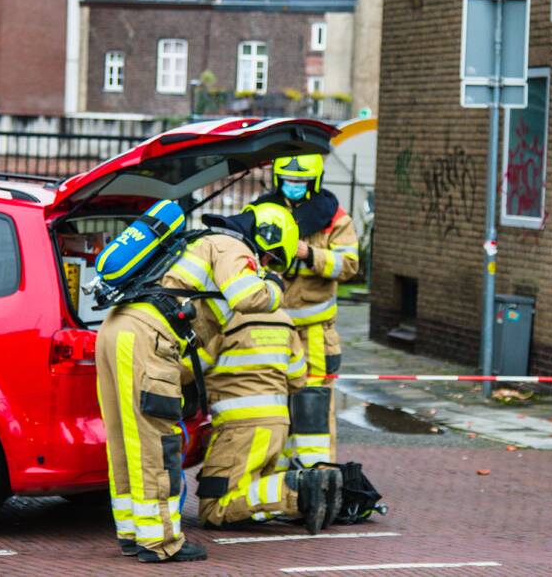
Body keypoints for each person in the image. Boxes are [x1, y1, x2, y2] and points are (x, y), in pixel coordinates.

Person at [93, 198, 292, 563]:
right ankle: (162, 542)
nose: (264, 267)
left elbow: (197, 348)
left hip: (116, 331)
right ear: (267, 241)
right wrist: (277, 287)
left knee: (126, 441)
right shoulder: (232, 245)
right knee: (157, 443)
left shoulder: (198, 246)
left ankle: (133, 533)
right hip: (146, 336)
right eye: (271, 260)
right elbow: (249, 296)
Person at [181, 204, 342, 534]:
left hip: (239, 428)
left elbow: (191, 370)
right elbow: (298, 376)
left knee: (213, 509)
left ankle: (298, 491)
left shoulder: (225, 314)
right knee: (246, 492)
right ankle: (300, 486)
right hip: (278, 428)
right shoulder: (284, 319)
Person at [256, 154, 360, 468]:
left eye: (300, 182)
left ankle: (318, 474)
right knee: (274, 401)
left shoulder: (334, 217)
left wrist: (309, 253)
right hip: (272, 329)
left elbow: (349, 265)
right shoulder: (264, 211)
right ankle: (281, 475)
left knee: (313, 404)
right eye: (288, 181)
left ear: (313, 182)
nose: (294, 187)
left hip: (316, 332)